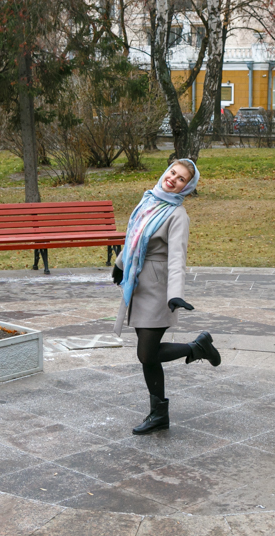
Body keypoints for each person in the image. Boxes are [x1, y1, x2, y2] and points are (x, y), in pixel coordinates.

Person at [111, 159, 221, 435]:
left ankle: (197, 348)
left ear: (187, 187)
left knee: (146, 353)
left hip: (159, 289)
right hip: (139, 284)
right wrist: (120, 263)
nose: (173, 179)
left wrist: (175, 295)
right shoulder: (149, 200)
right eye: (173, 172)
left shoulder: (177, 215)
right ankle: (159, 414)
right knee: (149, 356)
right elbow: (134, 236)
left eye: (181, 179)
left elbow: (177, 259)